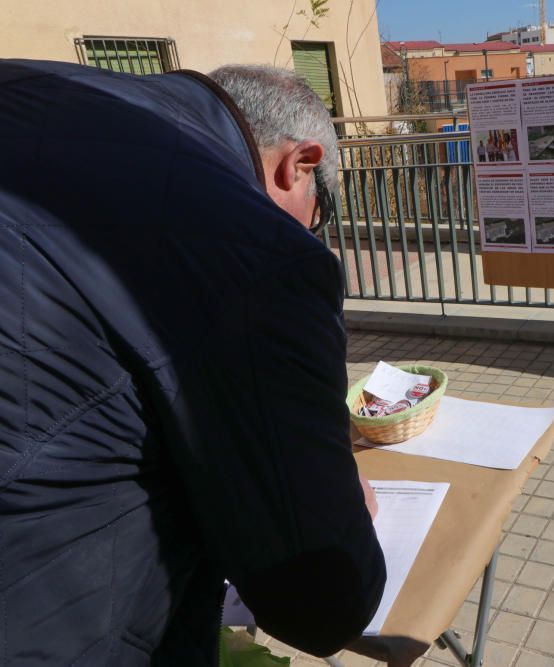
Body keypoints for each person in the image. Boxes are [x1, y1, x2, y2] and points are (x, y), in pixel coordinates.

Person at [0, 60, 386, 664]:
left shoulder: (36, 89)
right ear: (299, 166)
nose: (314, 230)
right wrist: (342, 505)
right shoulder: (253, 251)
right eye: (322, 209)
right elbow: (322, 602)